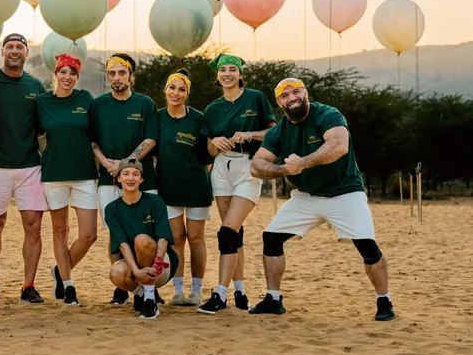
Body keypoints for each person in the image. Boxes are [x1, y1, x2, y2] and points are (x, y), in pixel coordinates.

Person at [249, 78, 395, 321]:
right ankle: (274, 299)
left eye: (296, 92)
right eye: (285, 96)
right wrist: (285, 171)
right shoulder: (279, 130)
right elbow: (256, 166)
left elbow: (339, 146)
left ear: (306, 93)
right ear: (279, 102)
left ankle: (384, 300)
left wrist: (303, 163)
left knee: (367, 246)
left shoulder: (327, 114)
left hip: (345, 192)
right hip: (306, 197)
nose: (292, 98)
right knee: (271, 237)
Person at [198, 54, 276, 315]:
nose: (228, 74)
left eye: (233, 69)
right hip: (221, 169)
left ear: (241, 75)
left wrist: (251, 134)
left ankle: (220, 293)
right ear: (217, 76)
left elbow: (274, 133)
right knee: (234, 234)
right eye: (223, 70)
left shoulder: (255, 98)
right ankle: (240, 291)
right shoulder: (212, 109)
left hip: (248, 167)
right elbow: (207, 149)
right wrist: (215, 142)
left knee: (227, 233)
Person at [0, 34, 48, 304]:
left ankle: (28, 285)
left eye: (20, 47)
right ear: (2, 51)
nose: (15, 51)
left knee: (33, 227)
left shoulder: (36, 85)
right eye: (10, 46)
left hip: (30, 166)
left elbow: (44, 126)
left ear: (26, 52)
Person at [90, 53, 159, 305]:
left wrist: (126, 165)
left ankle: (148, 282)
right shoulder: (98, 105)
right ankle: (124, 287)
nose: (117, 78)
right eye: (112, 74)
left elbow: (151, 138)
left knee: (145, 232)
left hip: (143, 180)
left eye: (122, 73)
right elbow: (92, 141)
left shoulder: (145, 104)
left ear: (131, 76)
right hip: (108, 178)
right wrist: (108, 164)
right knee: (115, 232)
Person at [36, 54, 99, 306]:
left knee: (89, 234)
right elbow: (29, 128)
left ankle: (60, 270)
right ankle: (68, 283)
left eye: (72, 73)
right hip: (54, 174)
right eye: (63, 72)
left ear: (77, 77)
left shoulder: (86, 100)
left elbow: (96, 133)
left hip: (84, 173)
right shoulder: (42, 102)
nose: (67, 77)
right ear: (55, 74)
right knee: (60, 230)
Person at [155, 69, 213, 307]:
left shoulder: (198, 118)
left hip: (196, 187)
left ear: (187, 93)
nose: (175, 93)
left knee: (196, 239)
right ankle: (178, 291)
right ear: (165, 90)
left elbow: (208, 155)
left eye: (181, 89)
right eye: (172, 88)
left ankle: (196, 290)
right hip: (168, 188)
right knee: (176, 238)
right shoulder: (157, 117)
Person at [106, 157, 179, 320]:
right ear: (118, 178)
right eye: (125, 174)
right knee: (116, 272)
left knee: (141, 240)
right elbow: (123, 245)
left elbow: (163, 238)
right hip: (135, 265)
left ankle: (150, 300)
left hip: (160, 266)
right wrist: (137, 271)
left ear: (142, 179)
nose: (130, 178)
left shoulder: (155, 201)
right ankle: (142, 295)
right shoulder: (112, 209)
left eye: (135, 174)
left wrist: (157, 262)